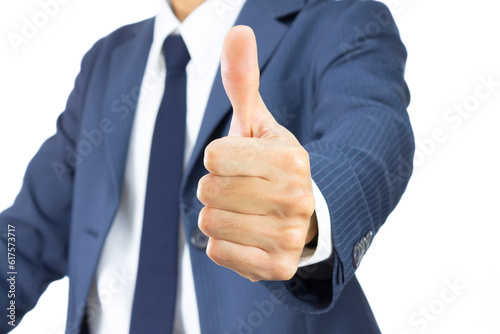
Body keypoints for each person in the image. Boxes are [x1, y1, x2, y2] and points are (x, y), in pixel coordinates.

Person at [0, 0, 414, 333]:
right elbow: (26, 239)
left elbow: (373, 138)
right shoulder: (106, 59)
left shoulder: (345, 18)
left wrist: (309, 208)